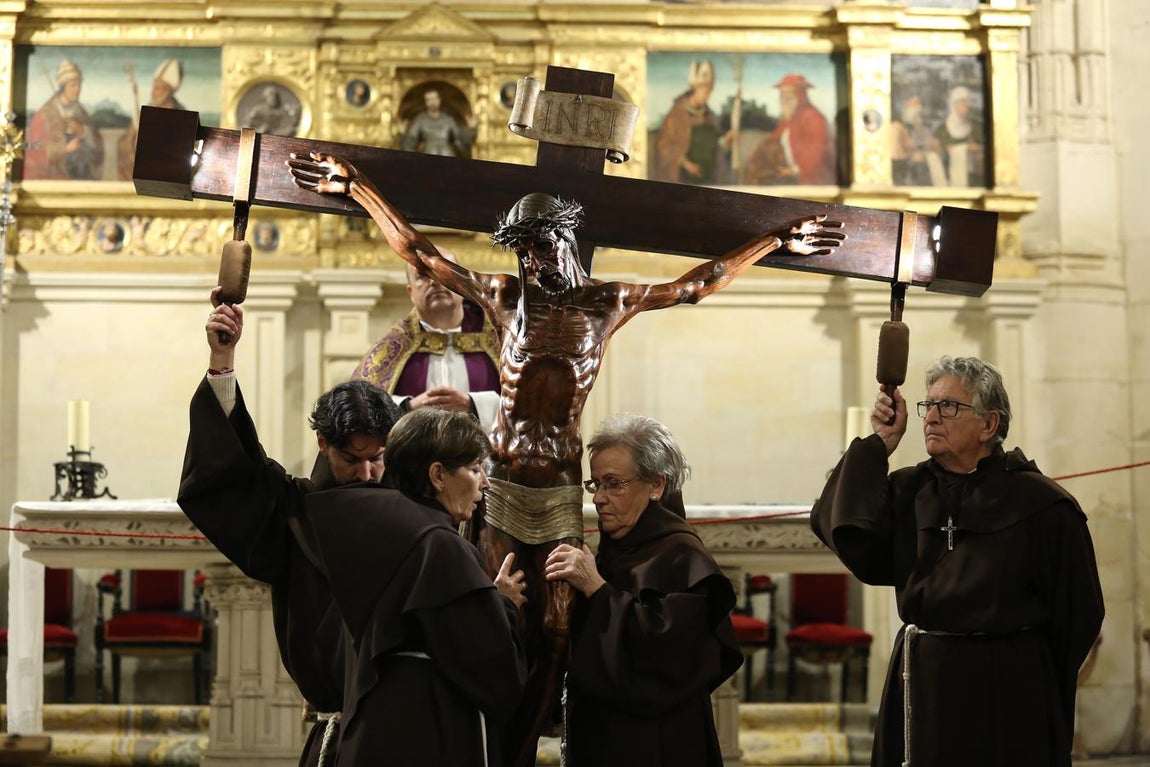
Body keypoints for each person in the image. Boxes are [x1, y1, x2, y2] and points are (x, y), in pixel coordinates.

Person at [286, 150, 842, 767]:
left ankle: (527, 748)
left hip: (555, 491)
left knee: (556, 626)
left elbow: (697, 284)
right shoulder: (502, 297)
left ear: (566, 243)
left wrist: (774, 240)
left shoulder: (607, 303)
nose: (532, 264)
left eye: (541, 250)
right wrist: (358, 188)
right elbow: (420, 253)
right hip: (498, 485)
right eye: (522, 252)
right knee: (497, 614)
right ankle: (496, 752)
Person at [810, 356, 1104, 767]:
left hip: (1009, 691)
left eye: (947, 406)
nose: (931, 417)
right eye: (927, 405)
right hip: (923, 683)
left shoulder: (1043, 505)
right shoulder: (909, 490)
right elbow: (847, 533)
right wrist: (878, 445)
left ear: (989, 424)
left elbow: (1079, 615)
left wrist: (1027, 673)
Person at [177, 286, 404, 767]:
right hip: (335, 729)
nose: (366, 473)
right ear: (323, 442)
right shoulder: (294, 509)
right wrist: (222, 360)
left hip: (407, 726)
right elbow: (230, 473)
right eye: (351, 459)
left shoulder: (412, 507)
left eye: (377, 458)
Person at [304, 406, 528, 766]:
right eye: (474, 469)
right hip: (425, 735)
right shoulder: (439, 546)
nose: (484, 482)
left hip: (371, 731)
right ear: (438, 475)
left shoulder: (372, 527)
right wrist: (501, 605)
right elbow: (495, 673)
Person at [544, 414, 742, 767]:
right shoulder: (611, 552)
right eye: (595, 485)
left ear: (656, 486)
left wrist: (597, 590)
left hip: (659, 744)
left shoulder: (682, 555)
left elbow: (669, 658)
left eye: (614, 484)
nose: (600, 499)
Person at [352, 255, 501, 429]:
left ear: (462, 285)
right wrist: (408, 407)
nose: (434, 281)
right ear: (411, 293)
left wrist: (474, 404)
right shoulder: (393, 347)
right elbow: (360, 407)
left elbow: (531, 404)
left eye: (443, 271)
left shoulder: (500, 340)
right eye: (422, 275)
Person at [744, 73, 835, 186]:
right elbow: (774, 138)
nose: (784, 101)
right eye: (782, 96)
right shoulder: (789, 118)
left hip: (810, 180)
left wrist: (794, 170)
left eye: (789, 96)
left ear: (801, 97)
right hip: (787, 174)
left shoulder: (814, 119)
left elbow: (817, 154)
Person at [24, 59, 104, 180]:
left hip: (82, 176)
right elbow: (36, 151)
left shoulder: (80, 112)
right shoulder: (44, 115)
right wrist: (65, 149)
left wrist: (83, 131)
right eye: (73, 85)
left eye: (79, 85)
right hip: (55, 177)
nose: (77, 89)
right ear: (63, 87)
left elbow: (98, 144)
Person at [653, 59, 728, 185]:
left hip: (709, 176)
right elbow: (664, 147)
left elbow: (715, 142)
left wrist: (726, 140)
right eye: (704, 92)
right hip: (684, 176)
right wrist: (687, 164)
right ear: (694, 90)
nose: (707, 96)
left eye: (709, 93)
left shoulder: (709, 115)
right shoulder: (677, 115)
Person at [118, 58, 186, 180]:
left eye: (158, 88)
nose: (153, 93)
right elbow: (128, 138)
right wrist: (129, 152)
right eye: (153, 87)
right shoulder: (146, 111)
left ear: (168, 91)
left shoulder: (181, 115)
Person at [401, 88, 475, 157]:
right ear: (426, 102)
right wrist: (402, 134)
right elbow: (410, 142)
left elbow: (460, 140)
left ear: (439, 100)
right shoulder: (420, 120)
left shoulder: (448, 119)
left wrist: (471, 129)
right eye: (429, 99)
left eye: (434, 99)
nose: (432, 102)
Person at [935, 85, 985, 187]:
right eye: (961, 104)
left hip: (976, 178)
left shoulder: (977, 127)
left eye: (967, 104)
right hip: (950, 179)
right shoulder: (942, 130)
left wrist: (977, 149)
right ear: (953, 106)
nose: (964, 108)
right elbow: (938, 153)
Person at [890, 94, 945, 187]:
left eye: (920, 104)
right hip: (906, 177)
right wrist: (913, 157)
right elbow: (895, 157)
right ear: (905, 107)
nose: (919, 108)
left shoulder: (922, 128)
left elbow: (934, 147)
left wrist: (935, 148)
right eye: (914, 105)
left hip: (926, 175)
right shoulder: (896, 128)